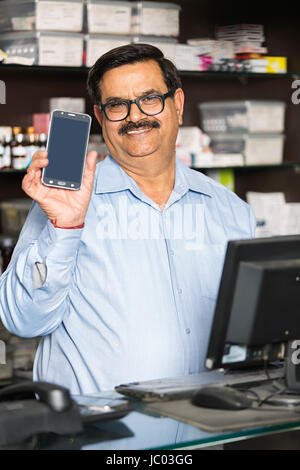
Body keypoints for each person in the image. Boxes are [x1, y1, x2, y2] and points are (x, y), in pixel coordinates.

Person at [0, 44, 256, 394]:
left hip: (203, 432)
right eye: (117, 105)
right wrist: (64, 228)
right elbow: (22, 320)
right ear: (101, 117)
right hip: (100, 439)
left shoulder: (230, 211)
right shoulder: (66, 203)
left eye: (150, 98)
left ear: (177, 104)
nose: (135, 116)